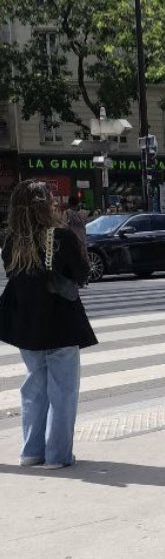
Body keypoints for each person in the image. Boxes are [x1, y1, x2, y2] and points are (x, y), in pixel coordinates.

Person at [0, 180, 96, 468]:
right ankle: (57, 455)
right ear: (46, 206)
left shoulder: (12, 241)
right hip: (60, 322)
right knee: (63, 391)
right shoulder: (61, 237)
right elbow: (82, 274)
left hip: (27, 324)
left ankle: (31, 452)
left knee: (34, 388)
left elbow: (14, 275)